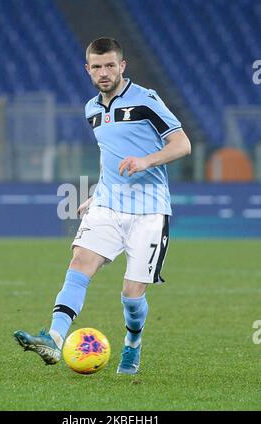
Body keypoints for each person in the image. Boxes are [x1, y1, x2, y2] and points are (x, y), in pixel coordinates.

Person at [14, 37, 191, 375]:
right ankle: (52, 337)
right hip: (108, 204)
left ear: (122, 66)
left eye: (110, 65)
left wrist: (146, 161)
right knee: (80, 261)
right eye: (97, 67)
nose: (104, 72)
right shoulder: (91, 109)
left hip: (150, 211)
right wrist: (98, 193)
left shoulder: (146, 100)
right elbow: (108, 156)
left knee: (131, 295)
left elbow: (182, 144)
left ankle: (133, 344)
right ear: (88, 70)